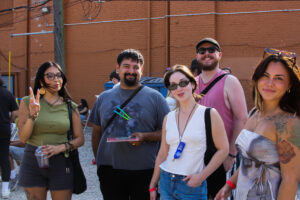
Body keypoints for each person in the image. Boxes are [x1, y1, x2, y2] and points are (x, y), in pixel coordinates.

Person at [215, 48, 300, 200]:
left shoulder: (288, 124)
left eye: (279, 78)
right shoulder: (255, 113)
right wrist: (230, 185)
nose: (269, 83)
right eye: (265, 76)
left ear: (289, 85)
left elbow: (290, 180)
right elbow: (250, 159)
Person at [89, 49, 170, 200]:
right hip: (110, 170)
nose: (131, 71)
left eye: (136, 67)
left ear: (141, 70)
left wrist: (145, 136)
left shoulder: (156, 98)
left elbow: (168, 132)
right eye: (126, 66)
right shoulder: (103, 98)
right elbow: (96, 133)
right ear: (117, 68)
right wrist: (100, 163)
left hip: (145, 170)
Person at [149, 65, 229, 200]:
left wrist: (201, 176)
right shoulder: (168, 118)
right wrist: (153, 185)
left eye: (183, 83)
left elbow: (224, 149)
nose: (178, 89)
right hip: (166, 181)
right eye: (173, 86)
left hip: (192, 184)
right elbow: (162, 154)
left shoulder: (209, 114)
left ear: (192, 84)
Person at [17, 61, 84, 200]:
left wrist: (60, 148)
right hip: (33, 160)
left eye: (58, 75)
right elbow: (23, 139)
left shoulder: (70, 106)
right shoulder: (27, 102)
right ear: (41, 81)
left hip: (61, 161)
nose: (56, 79)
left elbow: (80, 139)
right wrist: (32, 116)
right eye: (50, 76)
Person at [194, 37, 248, 198]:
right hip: (196, 154)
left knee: (218, 195)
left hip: (221, 154)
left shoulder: (229, 81)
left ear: (220, 55)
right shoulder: (193, 83)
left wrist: (231, 154)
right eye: (202, 51)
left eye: (211, 50)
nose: (207, 54)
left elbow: (242, 119)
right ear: (197, 56)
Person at [0, 76, 18, 198]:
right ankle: (5, 189)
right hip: (4, 128)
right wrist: (9, 121)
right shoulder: (7, 93)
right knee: (4, 157)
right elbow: (16, 112)